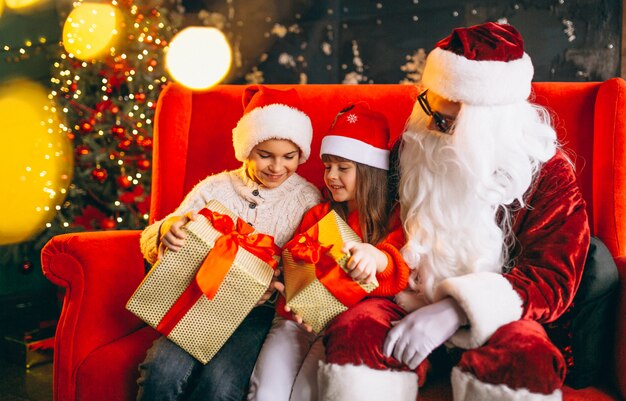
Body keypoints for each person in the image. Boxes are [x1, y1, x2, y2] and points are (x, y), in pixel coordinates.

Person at [317, 22, 590, 401]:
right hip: (404, 299)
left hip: (499, 317)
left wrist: (456, 310)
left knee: (526, 356)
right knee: (356, 333)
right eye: (428, 103)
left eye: (446, 122)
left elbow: (552, 279)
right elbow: (355, 214)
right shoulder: (414, 144)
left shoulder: (547, 171)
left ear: (489, 123)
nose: (429, 124)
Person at [136, 84, 322, 401]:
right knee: (161, 372)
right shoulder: (215, 188)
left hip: (257, 315)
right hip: (198, 303)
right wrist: (167, 229)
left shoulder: (306, 199)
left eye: (289, 157)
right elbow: (154, 239)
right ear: (247, 149)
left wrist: (280, 284)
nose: (277, 168)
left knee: (221, 385)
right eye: (265, 156)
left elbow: (308, 266)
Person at [248, 102, 410, 401]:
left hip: (340, 326)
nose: (331, 176)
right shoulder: (318, 215)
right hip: (295, 322)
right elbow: (293, 267)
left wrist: (373, 260)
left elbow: (396, 272)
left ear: (370, 170)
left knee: (306, 393)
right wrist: (287, 286)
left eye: (343, 168)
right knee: (266, 392)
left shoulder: (393, 219)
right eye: (327, 167)